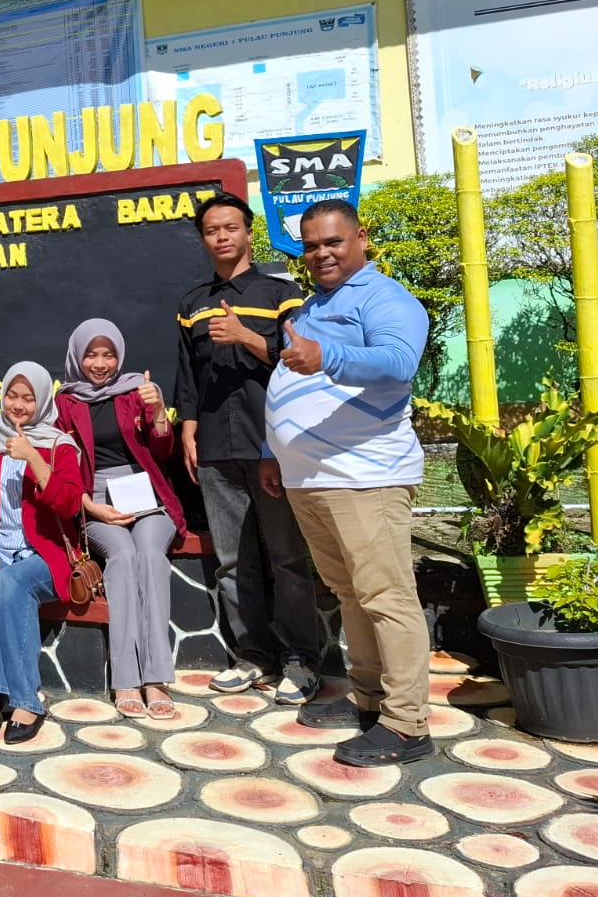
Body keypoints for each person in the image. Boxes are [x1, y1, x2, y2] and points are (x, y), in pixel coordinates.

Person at [260, 199, 433, 767]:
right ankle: (369, 699)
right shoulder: (313, 307)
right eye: (311, 246)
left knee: (386, 594)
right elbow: (292, 374)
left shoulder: (385, 298)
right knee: (350, 593)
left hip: (366, 474)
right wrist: (273, 449)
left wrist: (326, 353)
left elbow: (398, 360)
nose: (320, 254)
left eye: (332, 242)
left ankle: (407, 724)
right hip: (313, 476)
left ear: (361, 238)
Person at [174, 193, 322, 704]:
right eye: (212, 229)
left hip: (272, 446)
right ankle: (252, 656)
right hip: (215, 445)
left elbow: (300, 360)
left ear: (248, 233)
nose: (221, 236)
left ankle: (301, 660)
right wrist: (188, 427)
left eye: (231, 227)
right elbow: (186, 376)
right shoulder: (192, 303)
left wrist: (245, 336)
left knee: (285, 556)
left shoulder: (280, 294)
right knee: (234, 561)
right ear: (203, 238)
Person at [54, 320, 184, 719]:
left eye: (107, 354)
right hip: (95, 502)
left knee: (148, 554)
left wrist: (159, 412)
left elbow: (161, 451)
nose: (100, 363)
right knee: (123, 557)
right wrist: (89, 506)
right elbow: (59, 466)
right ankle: (126, 679)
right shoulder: (66, 403)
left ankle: (157, 678)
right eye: (91, 354)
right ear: (78, 355)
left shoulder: (136, 391)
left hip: (146, 497)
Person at [0, 362, 84, 745]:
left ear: (43, 400)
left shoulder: (59, 446)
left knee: (13, 583)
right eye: (12, 396)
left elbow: (68, 503)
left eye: (28, 398)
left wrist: (33, 457)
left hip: (44, 555)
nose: (18, 404)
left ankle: (27, 700)